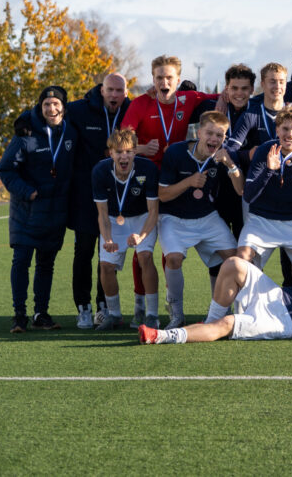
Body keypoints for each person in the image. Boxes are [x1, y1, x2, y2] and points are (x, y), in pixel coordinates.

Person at [139, 230, 292, 344]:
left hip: (289, 323)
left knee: (228, 324)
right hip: (278, 297)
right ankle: (209, 322)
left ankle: (161, 336)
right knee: (233, 263)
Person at [120, 55, 216, 325]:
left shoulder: (188, 99)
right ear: (153, 79)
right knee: (143, 246)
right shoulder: (141, 103)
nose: (164, 82)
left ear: (177, 80)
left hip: (175, 180)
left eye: (169, 77)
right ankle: (140, 305)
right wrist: (141, 148)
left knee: (169, 248)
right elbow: (119, 141)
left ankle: (170, 304)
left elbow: (223, 96)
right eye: (159, 77)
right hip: (145, 180)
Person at [0, 86, 79, 333]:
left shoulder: (71, 132)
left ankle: (41, 314)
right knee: (21, 261)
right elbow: (5, 169)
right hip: (27, 212)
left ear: (64, 107)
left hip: (55, 212)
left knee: (46, 265)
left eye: (56, 104)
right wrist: (27, 192)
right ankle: (19, 315)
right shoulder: (26, 133)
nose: (51, 109)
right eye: (46, 104)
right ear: (40, 107)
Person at [157, 111, 244, 328]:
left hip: (206, 216)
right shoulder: (176, 152)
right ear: (198, 132)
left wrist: (231, 165)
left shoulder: (222, 156)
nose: (214, 139)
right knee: (173, 259)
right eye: (210, 133)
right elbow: (163, 195)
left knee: (235, 259)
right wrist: (188, 182)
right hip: (173, 217)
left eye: (220, 135)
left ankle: (221, 311)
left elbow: (241, 190)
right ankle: (176, 313)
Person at [65, 73, 130, 327]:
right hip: (84, 194)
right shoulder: (80, 109)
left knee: (108, 253)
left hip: (116, 196)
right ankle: (83, 307)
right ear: (102, 90)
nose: (114, 95)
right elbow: (49, 108)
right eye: (110, 90)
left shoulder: (132, 109)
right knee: (83, 250)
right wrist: (25, 121)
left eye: (119, 91)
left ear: (126, 93)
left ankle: (104, 306)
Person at [237, 105, 292, 278]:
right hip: (262, 219)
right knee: (242, 262)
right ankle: (252, 296)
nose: (290, 134)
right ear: (277, 130)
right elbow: (248, 195)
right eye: (285, 128)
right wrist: (269, 170)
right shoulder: (264, 151)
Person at [92, 127, 161, 330]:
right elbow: (102, 214)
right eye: (119, 152)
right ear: (111, 153)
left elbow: (153, 211)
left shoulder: (148, 168)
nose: (124, 156)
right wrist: (108, 239)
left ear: (135, 151)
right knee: (106, 266)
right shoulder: (100, 171)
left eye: (129, 151)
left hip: (142, 218)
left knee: (145, 257)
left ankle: (152, 315)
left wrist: (141, 236)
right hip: (113, 220)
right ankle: (114, 315)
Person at [190, 63, 256, 249]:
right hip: (216, 189)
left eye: (244, 88)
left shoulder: (257, 111)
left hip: (244, 189)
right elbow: (178, 103)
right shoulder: (213, 107)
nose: (239, 93)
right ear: (226, 88)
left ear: (252, 89)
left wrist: (242, 156)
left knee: (245, 249)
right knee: (220, 249)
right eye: (234, 88)